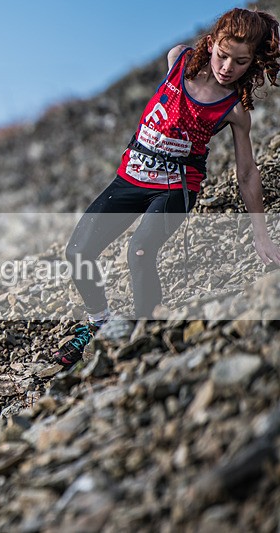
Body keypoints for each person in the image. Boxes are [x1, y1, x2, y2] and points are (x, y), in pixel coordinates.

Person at [54, 8, 280, 367]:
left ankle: (145, 332)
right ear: (210, 44)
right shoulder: (178, 58)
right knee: (78, 253)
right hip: (130, 178)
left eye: (240, 62)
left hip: (176, 189)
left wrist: (260, 232)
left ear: (251, 63)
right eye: (222, 55)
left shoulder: (235, 109)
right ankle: (100, 324)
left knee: (140, 251)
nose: (227, 68)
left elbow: (248, 172)